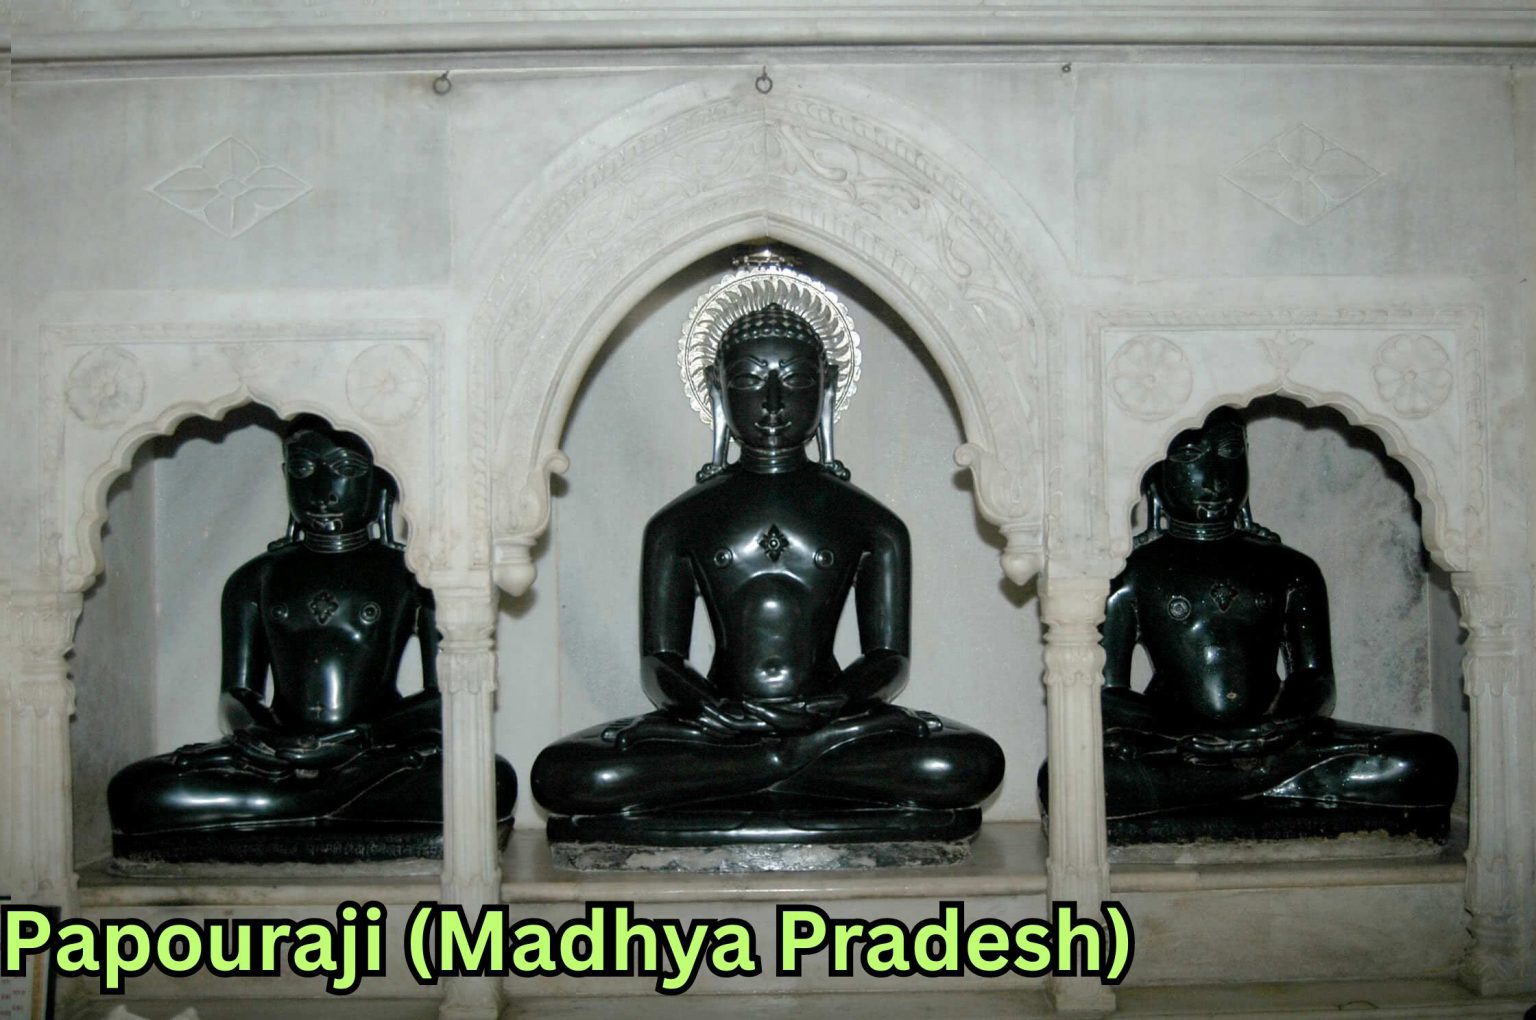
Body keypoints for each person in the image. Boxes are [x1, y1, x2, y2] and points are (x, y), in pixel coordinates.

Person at [532, 303, 1004, 845]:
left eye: (797, 381)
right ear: (717, 388)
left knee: (967, 762)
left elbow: (888, 659)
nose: (774, 403)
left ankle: (747, 774)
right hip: (718, 727)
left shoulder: (873, 523)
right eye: (749, 381)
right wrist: (712, 709)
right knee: (565, 773)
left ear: (827, 387)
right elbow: (660, 662)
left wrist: (830, 705)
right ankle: (784, 766)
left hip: (832, 724)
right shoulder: (676, 523)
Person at [1039, 406, 1456, 843]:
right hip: (1181, 744)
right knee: (1067, 779)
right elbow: (1107, 694)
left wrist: (1272, 731)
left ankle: (1232, 797)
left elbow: (1314, 678)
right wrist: (1193, 732)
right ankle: (1267, 796)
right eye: (1190, 457)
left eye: (1228, 453)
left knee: (1425, 759)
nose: (1214, 479)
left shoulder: (1291, 568)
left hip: (1277, 744)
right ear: (1154, 474)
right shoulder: (1131, 574)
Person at [108, 416, 516, 861]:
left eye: (345, 470)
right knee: (134, 791)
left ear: (382, 480)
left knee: (488, 781)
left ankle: (297, 807)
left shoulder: (415, 578)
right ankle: (318, 804)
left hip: (374, 753)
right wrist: (264, 737)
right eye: (303, 469)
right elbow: (236, 693)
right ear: (285, 474)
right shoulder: (255, 579)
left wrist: (359, 738)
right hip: (277, 758)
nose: (322, 490)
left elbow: (445, 697)